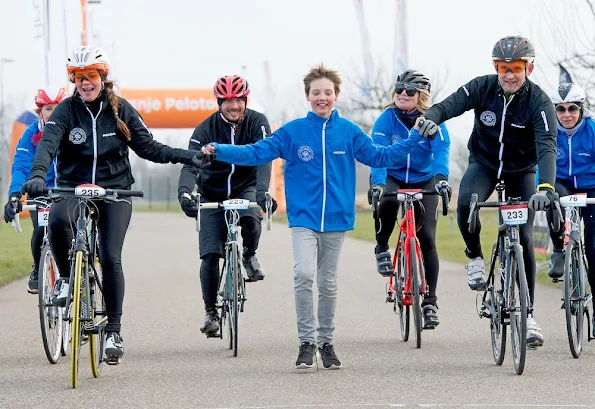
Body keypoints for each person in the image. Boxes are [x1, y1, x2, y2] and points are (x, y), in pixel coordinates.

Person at [199, 64, 432, 369]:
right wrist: (221, 150)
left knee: (328, 283)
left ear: (335, 95)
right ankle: (306, 343)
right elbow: (255, 153)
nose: (322, 97)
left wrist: (415, 138)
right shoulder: (293, 132)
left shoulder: (348, 132)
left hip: (336, 219)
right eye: (316, 92)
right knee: (304, 275)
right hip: (304, 218)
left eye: (327, 92)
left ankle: (327, 342)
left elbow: (381, 156)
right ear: (307, 96)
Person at [21, 45, 202, 362]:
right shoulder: (65, 111)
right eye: (78, 78)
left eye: (90, 76)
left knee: (110, 256)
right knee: (59, 221)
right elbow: (47, 146)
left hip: (115, 191)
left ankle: (114, 331)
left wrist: (188, 157)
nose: (85, 83)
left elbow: (149, 148)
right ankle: (65, 279)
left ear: (102, 78)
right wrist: (37, 175)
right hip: (73, 187)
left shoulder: (122, 111)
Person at [417, 36, 558, 347]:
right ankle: (476, 257)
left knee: (522, 238)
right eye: (503, 68)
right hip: (484, 164)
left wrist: (546, 187)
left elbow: (548, 148)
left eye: (516, 69)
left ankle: (529, 315)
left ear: (529, 69)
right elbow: (451, 104)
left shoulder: (539, 102)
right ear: (496, 67)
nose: (509, 75)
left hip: (521, 172)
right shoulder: (483, 87)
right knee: (467, 204)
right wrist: (430, 117)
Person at [177, 74, 276, 337]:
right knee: (210, 255)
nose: (234, 106)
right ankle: (210, 312)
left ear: (245, 100)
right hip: (213, 192)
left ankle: (248, 254)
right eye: (227, 102)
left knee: (252, 217)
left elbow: (265, 157)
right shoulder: (205, 129)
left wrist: (263, 192)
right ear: (219, 103)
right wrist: (185, 193)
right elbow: (190, 164)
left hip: (247, 186)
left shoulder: (257, 122)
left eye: (238, 101)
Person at [368, 69, 451, 330]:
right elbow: (377, 154)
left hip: (423, 178)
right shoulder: (385, 120)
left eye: (410, 91)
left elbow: (441, 150)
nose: (403, 94)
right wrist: (379, 183)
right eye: (399, 90)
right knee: (387, 201)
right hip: (392, 174)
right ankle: (382, 246)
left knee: (426, 237)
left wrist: (441, 178)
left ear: (422, 96)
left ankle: (430, 302)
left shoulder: (433, 120)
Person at [4, 87, 67, 294]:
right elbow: (21, 166)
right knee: (42, 231)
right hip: (40, 193)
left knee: (72, 234)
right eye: (49, 109)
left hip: (67, 191)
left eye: (58, 108)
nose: (54, 112)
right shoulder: (30, 134)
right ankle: (37, 267)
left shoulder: (72, 129)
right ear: (40, 113)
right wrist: (14, 195)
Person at [546, 82, 595, 333]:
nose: (566, 115)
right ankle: (558, 248)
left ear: (581, 109)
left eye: (572, 109)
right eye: (561, 109)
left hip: (592, 187)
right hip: (562, 183)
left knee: (594, 248)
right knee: (550, 199)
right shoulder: (548, 133)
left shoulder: (592, 130)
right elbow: (539, 165)